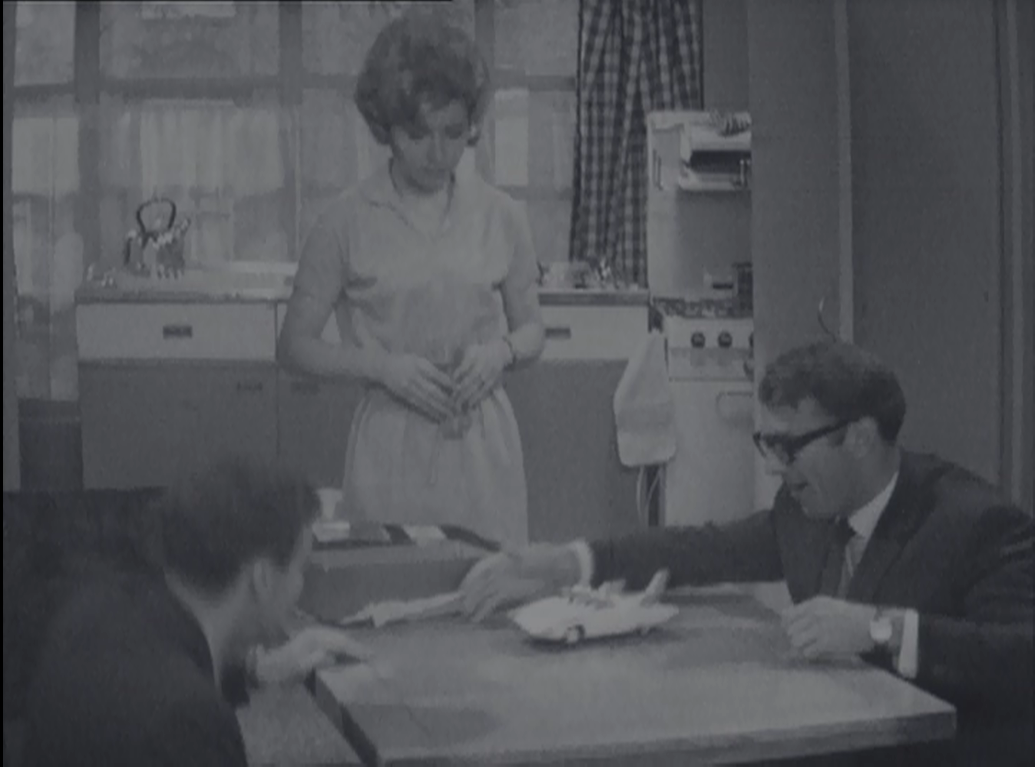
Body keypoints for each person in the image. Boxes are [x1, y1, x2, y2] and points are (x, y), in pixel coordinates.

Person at [460, 340, 1034, 767]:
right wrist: (568, 561)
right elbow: (704, 548)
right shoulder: (803, 509)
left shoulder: (976, 523)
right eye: (767, 444)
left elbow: (1022, 661)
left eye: (788, 446)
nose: (773, 467)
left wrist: (881, 630)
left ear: (859, 437)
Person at [278, 8, 545, 547]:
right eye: (418, 133)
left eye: (453, 132)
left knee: (489, 584)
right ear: (387, 127)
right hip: (390, 443)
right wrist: (382, 367)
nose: (437, 152)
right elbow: (294, 347)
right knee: (390, 586)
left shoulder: (502, 215)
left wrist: (501, 353)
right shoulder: (344, 222)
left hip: (483, 447)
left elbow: (532, 330)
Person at [22, 458, 370, 767]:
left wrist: (256, 672)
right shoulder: (189, 722)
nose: (300, 586)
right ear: (262, 578)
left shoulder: (100, 605)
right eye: (300, 568)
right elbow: (171, 706)